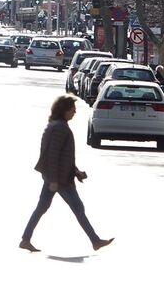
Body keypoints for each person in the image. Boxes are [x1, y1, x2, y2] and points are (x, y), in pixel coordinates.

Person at [20, 95, 113, 253]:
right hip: (60, 179)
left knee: (42, 207)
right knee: (78, 208)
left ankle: (25, 239)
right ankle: (95, 241)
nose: (74, 112)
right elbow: (53, 155)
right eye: (72, 109)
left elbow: (64, 155)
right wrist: (54, 180)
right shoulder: (59, 128)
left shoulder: (57, 125)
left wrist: (76, 171)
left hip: (57, 176)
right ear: (64, 110)